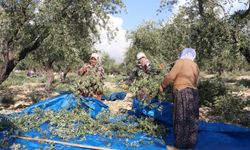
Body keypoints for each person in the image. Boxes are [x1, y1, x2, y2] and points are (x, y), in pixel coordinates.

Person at [159, 48, 200, 149]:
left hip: (181, 91)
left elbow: (170, 76)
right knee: (192, 118)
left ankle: (178, 146)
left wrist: (162, 86)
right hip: (193, 93)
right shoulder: (195, 65)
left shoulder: (180, 62)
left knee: (180, 117)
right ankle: (191, 144)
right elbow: (197, 80)